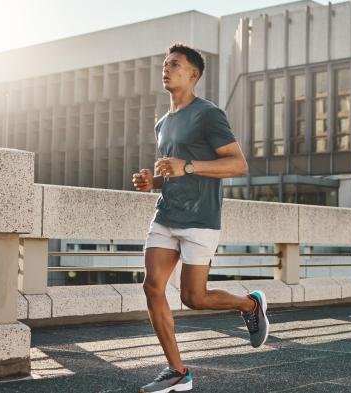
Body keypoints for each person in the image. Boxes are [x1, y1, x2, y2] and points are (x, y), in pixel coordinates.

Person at [131, 43, 270, 393]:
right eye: (165, 63)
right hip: (166, 215)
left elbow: (238, 164)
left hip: (200, 218)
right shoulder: (162, 123)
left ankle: (250, 304)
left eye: (174, 64)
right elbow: (175, 172)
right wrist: (154, 181)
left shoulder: (209, 114)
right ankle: (178, 371)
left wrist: (189, 165)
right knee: (152, 287)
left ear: (193, 74)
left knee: (195, 297)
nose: (167, 68)